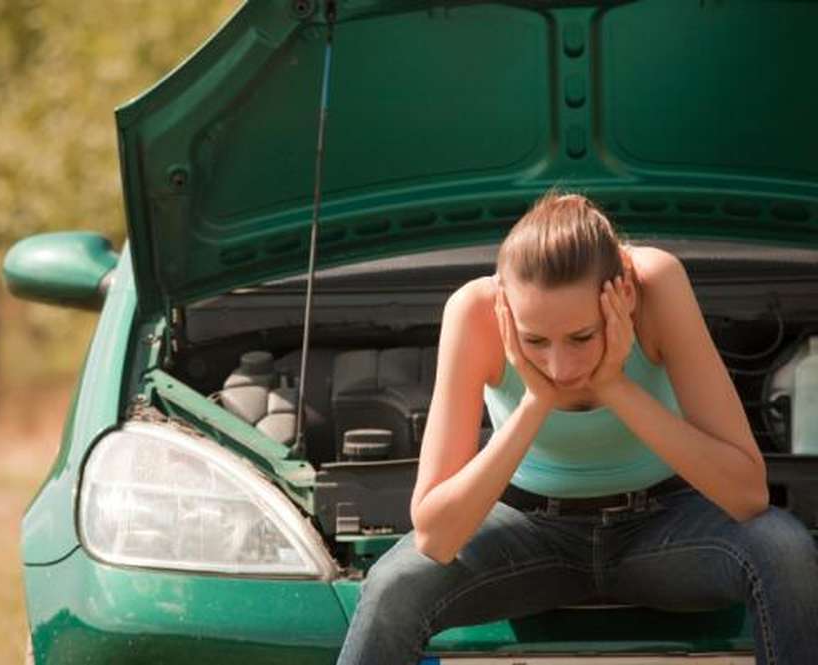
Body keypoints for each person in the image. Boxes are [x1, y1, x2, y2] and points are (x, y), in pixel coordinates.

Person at [336, 192, 818, 665]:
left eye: (582, 336)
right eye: (535, 341)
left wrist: (615, 386)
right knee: (391, 586)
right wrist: (533, 404)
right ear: (504, 307)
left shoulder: (657, 284)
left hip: (665, 528)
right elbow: (436, 538)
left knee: (785, 549)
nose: (559, 366)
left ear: (623, 294)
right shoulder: (473, 312)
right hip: (528, 532)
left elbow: (747, 494)